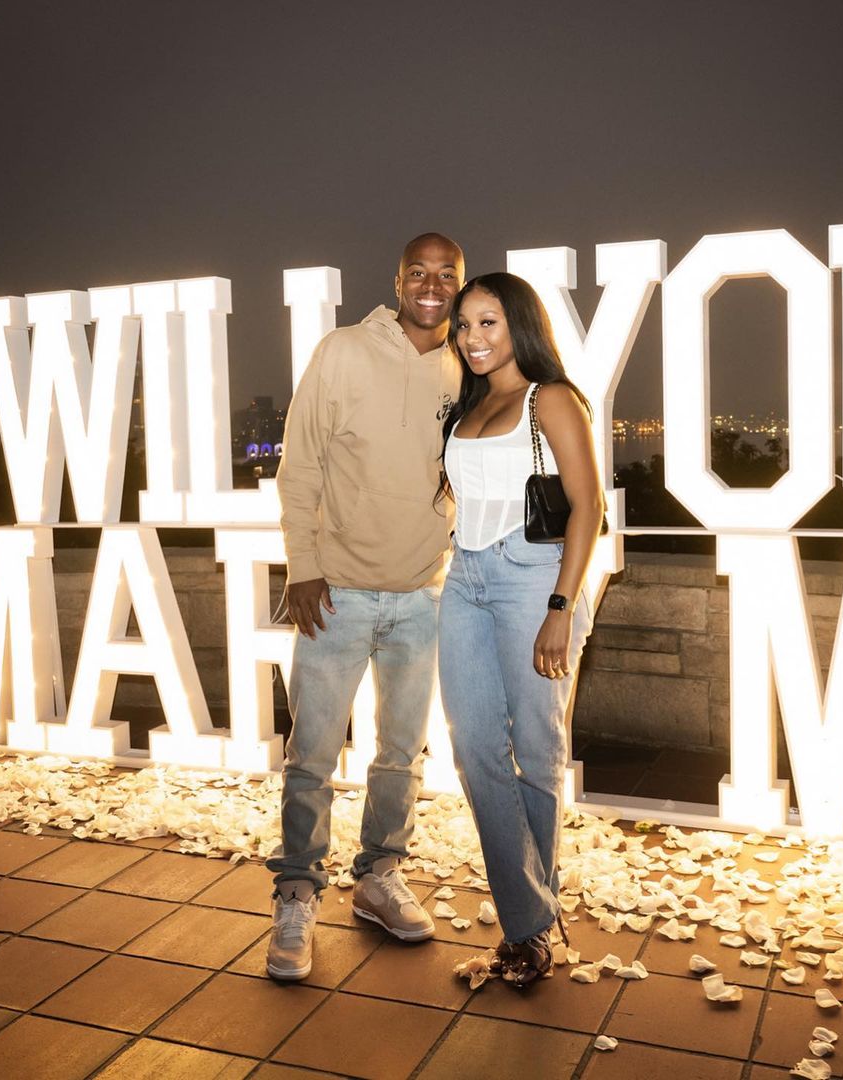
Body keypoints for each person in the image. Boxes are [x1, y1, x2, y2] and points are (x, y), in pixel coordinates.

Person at [265, 233, 465, 981]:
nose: (433, 285)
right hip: (338, 594)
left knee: (400, 754)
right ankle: (295, 894)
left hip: (423, 594)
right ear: (399, 279)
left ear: (460, 285)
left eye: (447, 274)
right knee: (311, 754)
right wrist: (305, 567)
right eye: (420, 272)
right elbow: (301, 464)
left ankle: (379, 877)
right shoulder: (344, 351)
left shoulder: (465, 365)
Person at [438, 272, 604, 987]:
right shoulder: (468, 407)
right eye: (464, 326)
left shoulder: (551, 399)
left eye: (489, 324)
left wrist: (562, 609)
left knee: (536, 752)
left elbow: (588, 506)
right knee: (475, 751)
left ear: (520, 328)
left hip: (533, 578)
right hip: (465, 577)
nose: (473, 339)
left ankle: (526, 932)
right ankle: (536, 916)